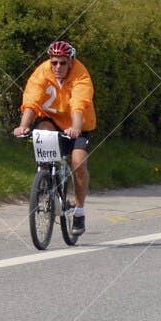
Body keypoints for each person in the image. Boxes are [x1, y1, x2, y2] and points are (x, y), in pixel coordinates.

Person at [12, 40, 95, 237]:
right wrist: (23, 126)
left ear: (70, 61)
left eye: (62, 63)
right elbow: (32, 99)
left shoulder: (80, 74)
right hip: (52, 119)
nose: (57, 67)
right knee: (43, 130)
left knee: (78, 163)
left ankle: (79, 211)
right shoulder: (42, 72)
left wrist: (75, 128)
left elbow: (79, 102)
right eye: (54, 62)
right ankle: (45, 177)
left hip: (79, 124)